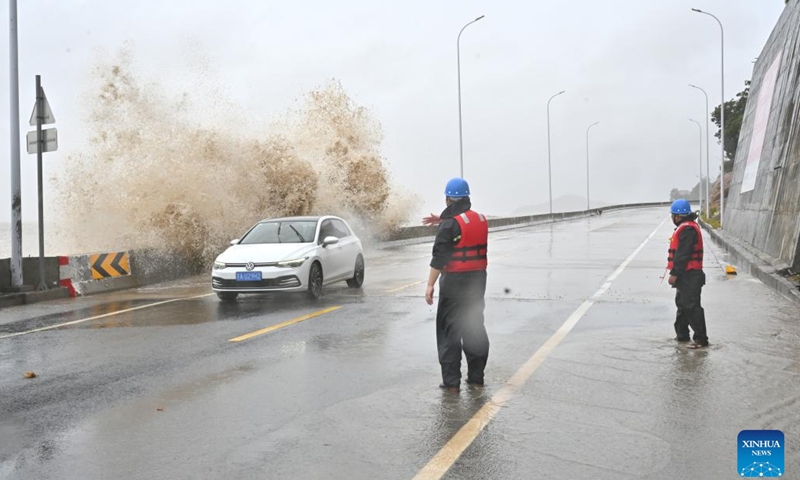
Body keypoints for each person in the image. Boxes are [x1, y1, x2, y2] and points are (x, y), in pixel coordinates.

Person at [424, 178, 489, 391]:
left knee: (449, 329)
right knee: (473, 325)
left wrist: (430, 284)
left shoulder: (450, 224)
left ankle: (452, 383)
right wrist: (443, 219)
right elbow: (462, 223)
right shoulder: (481, 219)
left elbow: (439, 258)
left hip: (454, 282)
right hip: (478, 280)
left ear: (448, 199)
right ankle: (477, 378)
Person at [667, 199, 709, 349]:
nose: (672, 218)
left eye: (673, 215)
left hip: (691, 275)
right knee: (682, 305)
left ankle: (701, 339)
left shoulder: (688, 230)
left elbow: (683, 254)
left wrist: (674, 273)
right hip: (686, 275)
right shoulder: (686, 227)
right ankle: (682, 335)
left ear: (678, 216)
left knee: (691, 306)